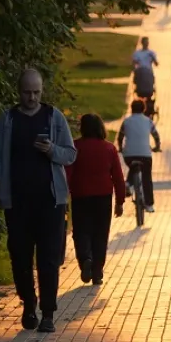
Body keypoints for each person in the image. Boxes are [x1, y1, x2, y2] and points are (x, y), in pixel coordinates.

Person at [0, 68, 77, 334]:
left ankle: (48, 313)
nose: (32, 97)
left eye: (36, 92)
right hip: (17, 202)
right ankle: (28, 302)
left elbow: (70, 154)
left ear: (42, 91)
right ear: (18, 91)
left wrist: (52, 151)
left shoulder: (53, 117)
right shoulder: (8, 120)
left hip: (50, 202)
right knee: (20, 257)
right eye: (27, 92)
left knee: (48, 258)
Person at [65, 114, 125, 286]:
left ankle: (85, 258)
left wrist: (63, 196)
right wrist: (120, 201)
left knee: (81, 231)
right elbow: (118, 177)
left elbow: (68, 173)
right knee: (100, 234)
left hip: (80, 196)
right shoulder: (109, 148)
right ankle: (97, 271)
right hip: (103, 197)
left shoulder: (75, 147)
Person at [118, 99, 162, 215]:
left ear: (131, 108)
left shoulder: (126, 121)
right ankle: (149, 204)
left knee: (133, 166)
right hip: (145, 155)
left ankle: (128, 183)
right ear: (144, 109)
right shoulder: (148, 121)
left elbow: (120, 137)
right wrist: (157, 147)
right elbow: (156, 136)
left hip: (129, 155)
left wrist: (120, 148)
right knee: (146, 176)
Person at [132, 37, 158, 104]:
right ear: (142, 43)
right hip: (140, 73)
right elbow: (134, 63)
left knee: (149, 86)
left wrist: (153, 58)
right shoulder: (137, 53)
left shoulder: (151, 53)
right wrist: (135, 70)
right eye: (145, 42)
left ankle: (149, 102)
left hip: (148, 72)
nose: (146, 44)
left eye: (147, 42)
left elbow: (156, 64)